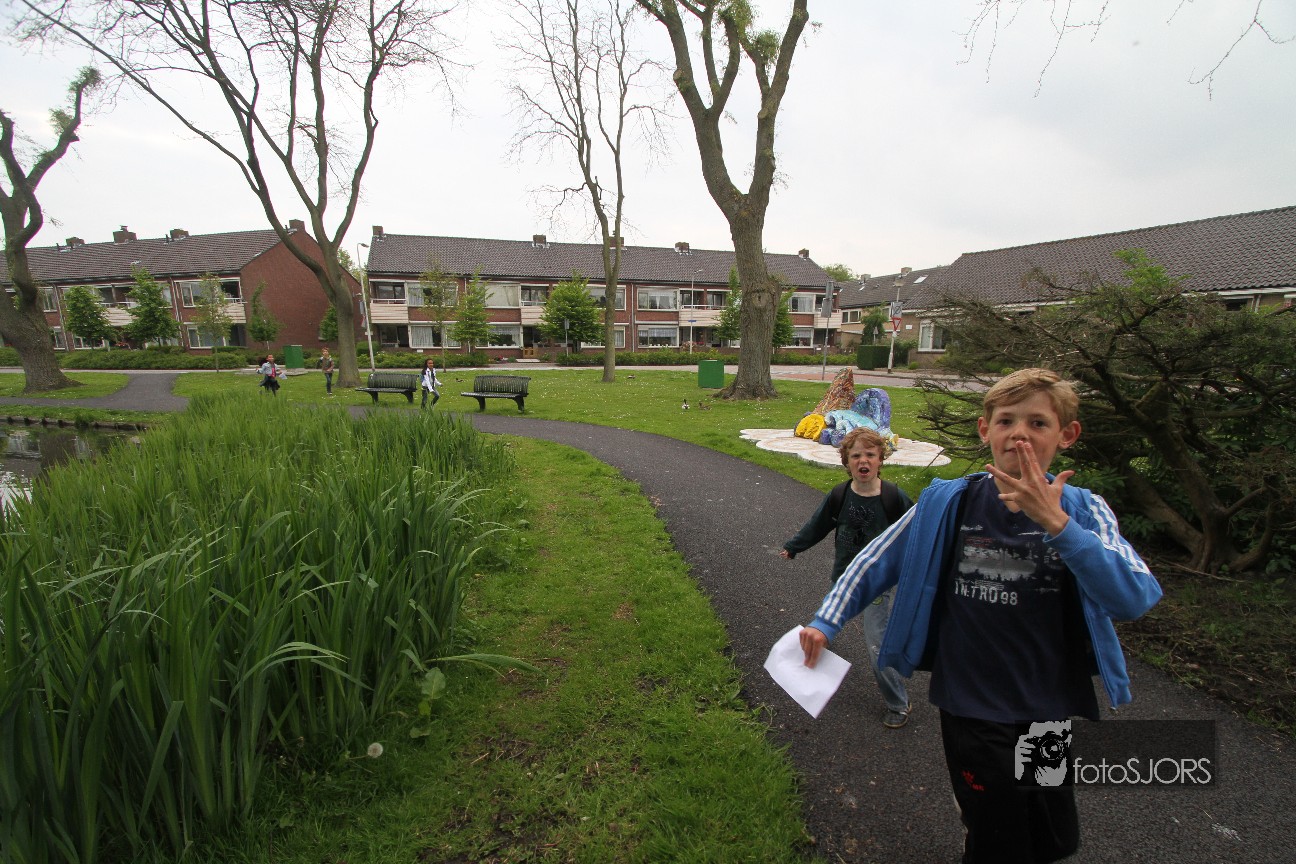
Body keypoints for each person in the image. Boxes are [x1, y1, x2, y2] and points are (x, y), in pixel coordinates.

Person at [799, 368, 1162, 864]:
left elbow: (1135, 596)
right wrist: (826, 620)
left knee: (1051, 836)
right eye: (1006, 421)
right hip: (970, 700)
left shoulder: (1083, 510)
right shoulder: (949, 502)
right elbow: (876, 559)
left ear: (1067, 434)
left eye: (1038, 423)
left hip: (1047, 703)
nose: (1019, 435)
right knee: (997, 836)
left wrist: (1057, 524)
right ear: (985, 429)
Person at [781, 427, 914, 728]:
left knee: (876, 645)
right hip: (843, 578)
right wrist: (794, 546)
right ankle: (816, 657)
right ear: (846, 461)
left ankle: (898, 703)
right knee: (823, 624)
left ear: (880, 459)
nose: (863, 460)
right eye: (856, 456)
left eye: (870, 455)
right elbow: (817, 525)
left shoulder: (894, 498)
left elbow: (915, 532)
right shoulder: (840, 496)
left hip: (877, 584)